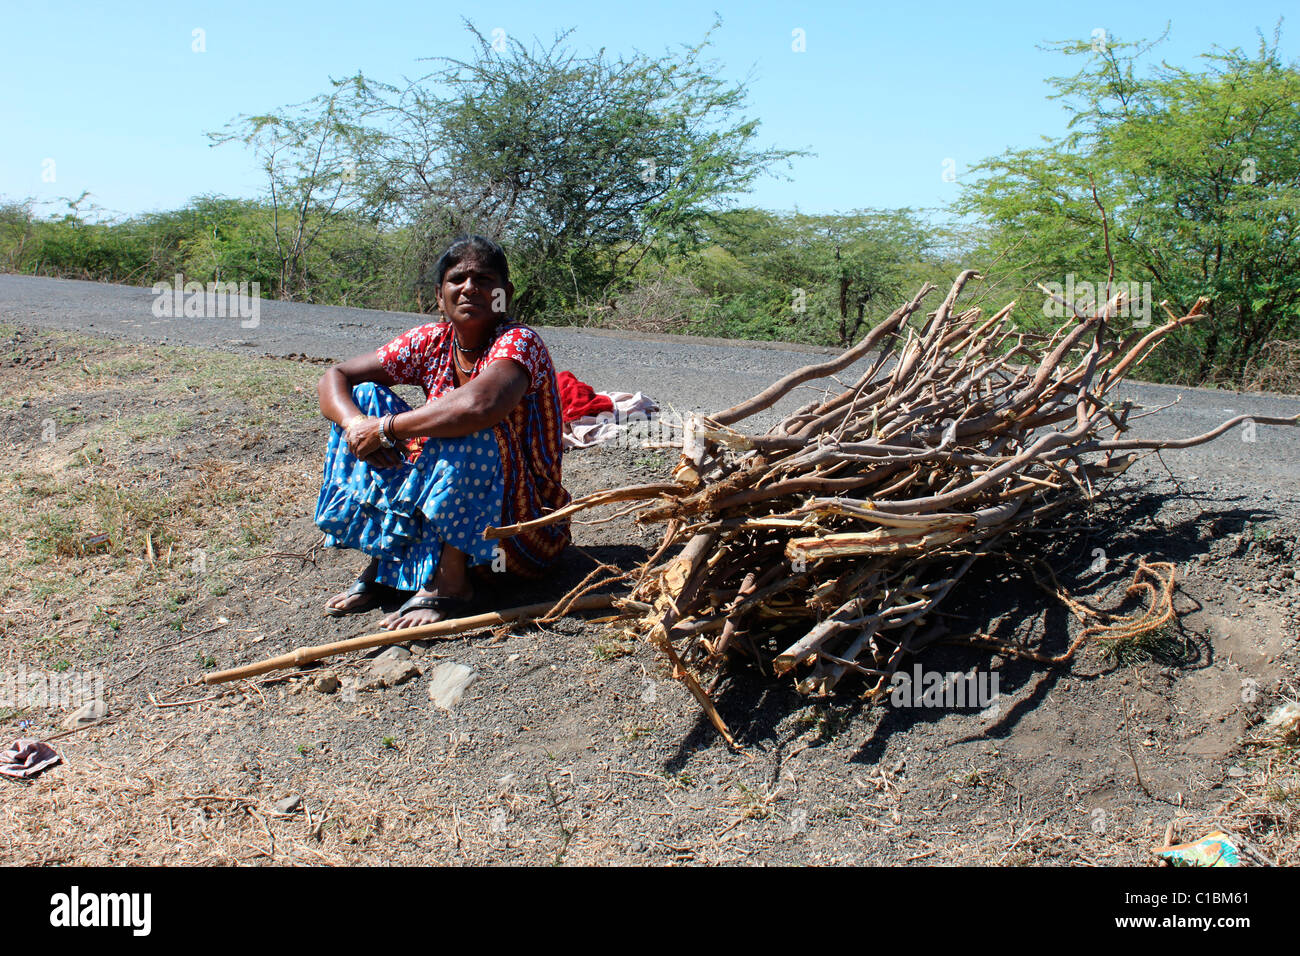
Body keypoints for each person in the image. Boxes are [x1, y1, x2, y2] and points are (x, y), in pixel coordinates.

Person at [314, 236, 570, 630]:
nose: (470, 288)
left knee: (468, 423)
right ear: (440, 294)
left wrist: (386, 429)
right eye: (458, 279)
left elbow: (479, 407)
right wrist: (357, 426)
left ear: (504, 294)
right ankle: (388, 563)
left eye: (484, 280)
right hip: (458, 505)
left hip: (521, 527)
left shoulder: (520, 342)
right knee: (365, 397)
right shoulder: (430, 341)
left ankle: (451, 582)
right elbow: (337, 376)